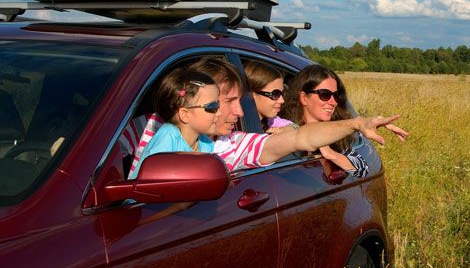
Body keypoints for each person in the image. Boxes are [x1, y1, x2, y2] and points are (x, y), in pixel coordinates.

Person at [120, 57, 407, 179]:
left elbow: (299, 136)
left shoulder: (229, 145)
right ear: (188, 104)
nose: (240, 112)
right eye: (229, 101)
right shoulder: (145, 127)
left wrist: (358, 123)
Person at [281, 64, 369, 177]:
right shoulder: (287, 129)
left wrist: (330, 153)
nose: (333, 102)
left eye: (336, 95)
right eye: (325, 94)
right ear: (303, 98)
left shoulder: (333, 132)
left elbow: (363, 169)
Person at [134, 70, 220, 172]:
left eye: (218, 104)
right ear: (185, 114)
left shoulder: (206, 144)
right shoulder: (168, 136)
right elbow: (153, 180)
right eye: (213, 107)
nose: (219, 113)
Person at [243, 60, 295, 133]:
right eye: (275, 94)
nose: (282, 100)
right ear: (252, 94)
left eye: (282, 93)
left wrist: (287, 129)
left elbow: (295, 127)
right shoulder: (236, 125)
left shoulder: (271, 121)